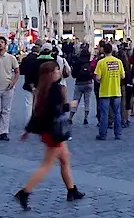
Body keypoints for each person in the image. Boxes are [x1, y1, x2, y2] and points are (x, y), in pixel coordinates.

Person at [14, 60, 84, 209]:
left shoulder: (43, 89)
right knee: (46, 166)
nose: (59, 72)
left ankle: (72, 190)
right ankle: (25, 192)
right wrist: (69, 105)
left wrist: (28, 130)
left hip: (50, 131)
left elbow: (38, 112)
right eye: (57, 70)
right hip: (54, 132)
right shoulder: (55, 89)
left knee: (65, 159)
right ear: (51, 74)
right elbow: (54, 110)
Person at [93, 41, 125, 140]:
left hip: (105, 91)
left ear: (104, 51)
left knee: (104, 114)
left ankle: (103, 134)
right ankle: (118, 133)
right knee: (117, 113)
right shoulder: (118, 61)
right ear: (111, 51)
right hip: (116, 90)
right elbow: (123, 76)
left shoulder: (101, 62)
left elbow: (98, 78)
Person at [71, 43, 95, 125]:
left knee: (75, 100)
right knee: (87, 101)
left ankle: (70, 117)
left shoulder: (77, 62)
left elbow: (73, 75)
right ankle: (85, 118)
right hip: (88, 83)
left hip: (79, 83)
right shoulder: (90, 63)